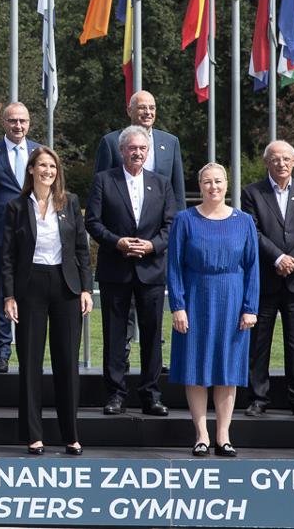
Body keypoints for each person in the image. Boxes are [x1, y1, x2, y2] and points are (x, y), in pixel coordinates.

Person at [1, 147, 90, 456]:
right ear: (31, 170)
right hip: (30, 288)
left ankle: (72, 435)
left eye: (52, 166)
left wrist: (86, 289)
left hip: (65, 287)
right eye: (42, 165)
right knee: (30, 362)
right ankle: (33, 434)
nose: (47, 171)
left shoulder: (70, 202)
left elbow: (81, 250)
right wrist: (9, 294)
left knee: (67, 363)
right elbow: (8, 256)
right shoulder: (15, 207)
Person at [168, 164, 261, 457]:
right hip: (196, 298)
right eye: (207, 182)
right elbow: (174, 266)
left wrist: (250, 307)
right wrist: (178, 306)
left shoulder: (244, 221)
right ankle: (201, 433)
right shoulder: (184, 220)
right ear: (200, 185)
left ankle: (223, 434)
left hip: (232, 300)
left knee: (227, 368)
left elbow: (252, 267)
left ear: (226, 184)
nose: (213, 187)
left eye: (218, 181)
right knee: (195, 367)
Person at [87, 125, 179, 417]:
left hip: (151, 270)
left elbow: (170, 224)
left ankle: (151, 395)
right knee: (115, 336)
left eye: (142, 148)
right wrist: (118, 243)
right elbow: (93, 221)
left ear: (147, 151)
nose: (137, 153)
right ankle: (115, 394)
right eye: (132, 148)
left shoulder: (162, 183)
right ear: (122, 150)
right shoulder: (104, 180)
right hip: (116, 269)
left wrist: (151, 246)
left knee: (153, 336)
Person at [241, 141, 294, 418]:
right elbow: (251, 230)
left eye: (287, 159)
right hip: (265, 278)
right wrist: (278, 258)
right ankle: (258, 398)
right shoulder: (252, 192)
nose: (281, 164)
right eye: (275, 159)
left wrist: (293, 259)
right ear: (267, 162)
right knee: (259, 341)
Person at [0, 102, 41, 374]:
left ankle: (29, 351)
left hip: (34, 237)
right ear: (4, 122)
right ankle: (1, 352)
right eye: (13, 120)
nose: (18, 126)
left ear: (29, 123)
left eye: (23, 121)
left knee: (32, 296)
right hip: (0, 236)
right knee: (1, 296)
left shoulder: (40, 152)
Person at [93, 91, 188, 204]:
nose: (148, 112)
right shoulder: (111, 142)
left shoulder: (170, 142)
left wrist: (178, 219)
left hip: (161, 218)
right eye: (142, 107)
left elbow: (178, 189)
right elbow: (99, 187)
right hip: (121, 216)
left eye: (152, 108)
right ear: (129, 111)